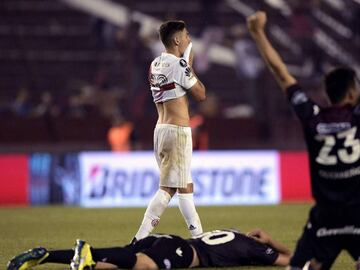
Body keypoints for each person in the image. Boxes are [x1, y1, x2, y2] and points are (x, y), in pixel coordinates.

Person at [247, 11, 360, 270]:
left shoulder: (313, 116)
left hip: (325, 220)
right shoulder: (357, 118)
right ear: (352, 92)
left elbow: (282, 73)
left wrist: (258, 33)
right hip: (358, 214)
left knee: (299, 266)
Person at [133, 20, 206, 242]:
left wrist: (186, 63)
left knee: (185, 186)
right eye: (186, 35)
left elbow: (175, 85)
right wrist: (188, 65)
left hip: (161, 129)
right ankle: (139, 239)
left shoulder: (155, 64)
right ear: (176, 40)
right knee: (169, 189)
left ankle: (199, 238)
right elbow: (201, 94)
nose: (188, 39)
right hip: (177, 132)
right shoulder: (179, 65)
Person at [7, 228, 291, 270]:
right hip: (183, 251)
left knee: (121, 261)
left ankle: (46, 255)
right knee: (146, 265)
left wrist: (263, 235)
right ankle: (88, 254)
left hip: (167, 239)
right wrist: (270, 242)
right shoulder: (253, 248)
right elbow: (292, 261)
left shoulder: (235, 234)